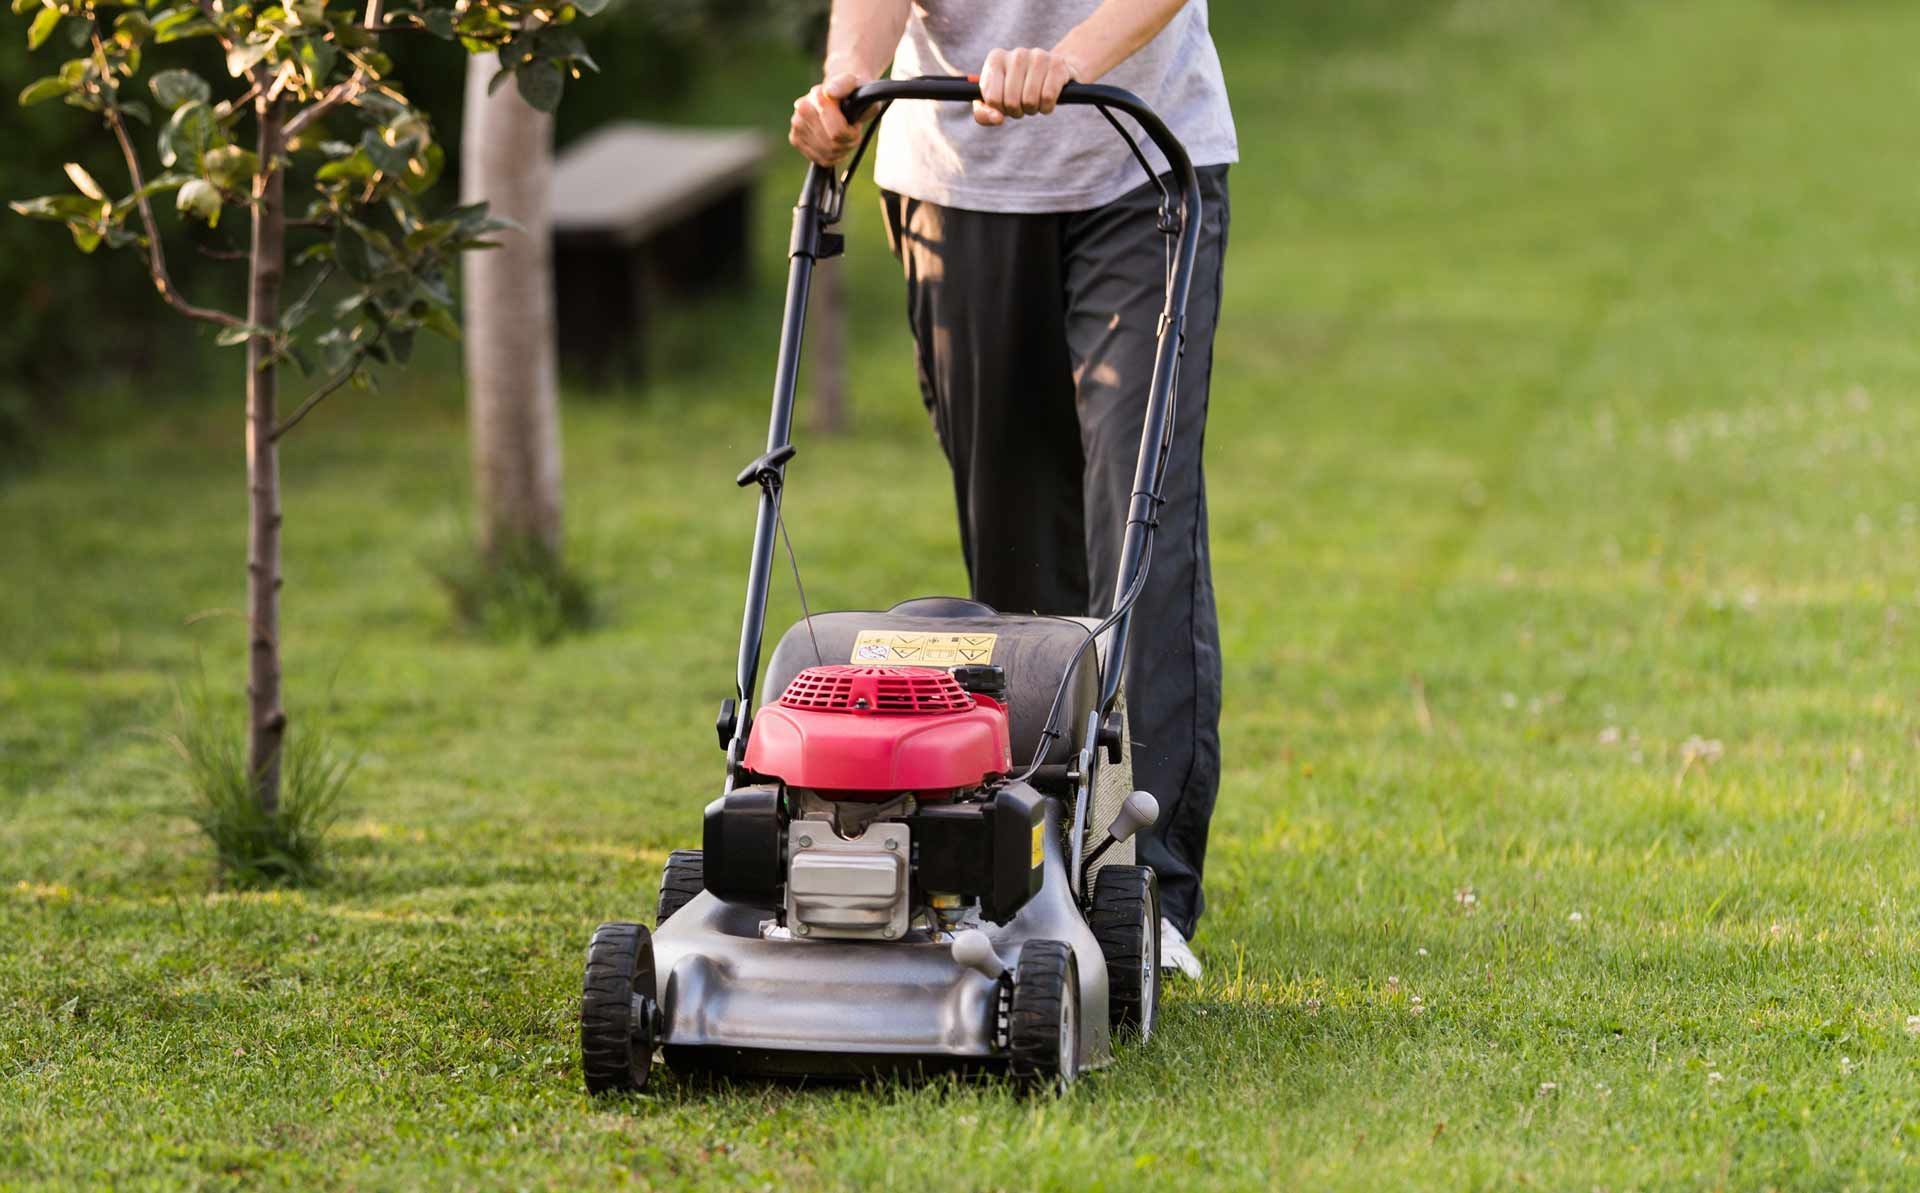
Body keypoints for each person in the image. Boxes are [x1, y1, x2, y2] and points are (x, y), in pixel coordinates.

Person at [789, 0, 1234, 979]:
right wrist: (846, 81)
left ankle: (1148, 890)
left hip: (1135, 158)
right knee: (1015, 547)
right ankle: (1041, 864)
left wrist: (1065, 62)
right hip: (953, 177)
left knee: (1137, 516)